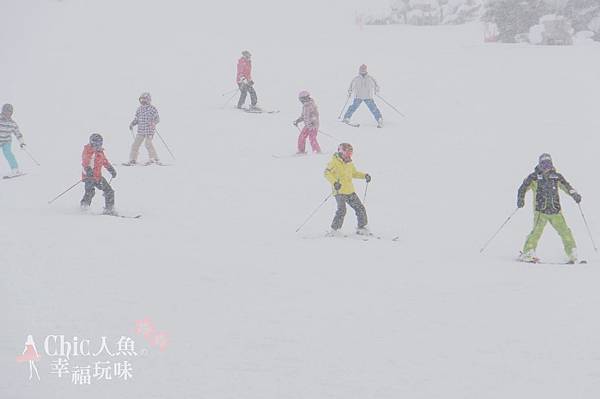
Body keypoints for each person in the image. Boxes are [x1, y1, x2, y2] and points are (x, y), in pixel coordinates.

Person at [517, 153, 581, 263]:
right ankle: (528, 252)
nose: (546, 167)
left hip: (555, 211)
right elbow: (522, 188)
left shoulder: (556, 176)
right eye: (544, 164)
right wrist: (520, 199)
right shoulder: (534, 177)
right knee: (536, 232)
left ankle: (572, 252)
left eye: (548, 164)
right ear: (540, 165)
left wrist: (574, 194)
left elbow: (567, 186)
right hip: (540, 211)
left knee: (565, 231)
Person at [324, 143, 371, 235]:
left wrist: (364, 176)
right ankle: (335, 230)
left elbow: (354, 173)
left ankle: (362, 227)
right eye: (346, 154)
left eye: (350, 154)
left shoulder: (349, 163)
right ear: (341, 152)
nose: (348, 156)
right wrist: (334, 182)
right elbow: (326, 173)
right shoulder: (334, 162)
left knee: (360, 208)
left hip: (350, 191)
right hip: (339, 191)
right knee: (342, 210)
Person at [81, 133, 117, 215]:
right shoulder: (88, 151)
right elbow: (85, 162)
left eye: (100, 143)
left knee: (109, 191)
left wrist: (111, 169)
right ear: (92, 143)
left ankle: (109, 209)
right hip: (89, 177)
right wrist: (88, 170)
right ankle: (84, 207)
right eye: (96, 144)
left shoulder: (100, 152)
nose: (98, 146)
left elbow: (104, 161)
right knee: (90, 192)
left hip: (98, 177)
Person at [125, 92, 160, 166]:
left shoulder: (152, 109)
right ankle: (132, 159)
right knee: (135, 145)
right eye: (141, 99)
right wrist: (132, 124)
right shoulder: (139, 109)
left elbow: (157, 119)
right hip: (140, 131)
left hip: (149, 131)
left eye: (145, 99)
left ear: (148, 100)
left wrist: (153, 123)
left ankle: (154, 158)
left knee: (148, 144)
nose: (143, 101)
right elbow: (137, 119)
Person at [0, 103, 26, 176]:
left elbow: (18, 133)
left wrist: (22, 142)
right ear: (3, 111)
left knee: (8, 153)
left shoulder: (12, 123)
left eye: (10, 112)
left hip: (7, 141)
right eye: (6, 111)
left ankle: (15, 169)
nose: (8, 113)